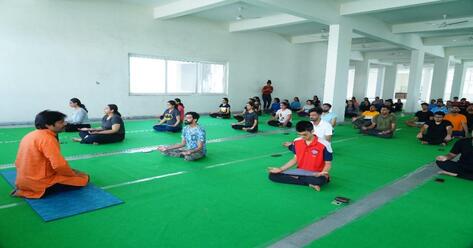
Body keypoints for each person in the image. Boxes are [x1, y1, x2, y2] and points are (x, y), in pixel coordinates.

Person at [13, 110, 89, 198]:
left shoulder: (30, 135)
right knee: (83, 178)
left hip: (22, 181)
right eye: (61, 122)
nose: (65, 123)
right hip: (38, 183)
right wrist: (72, 174)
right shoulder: (48, 139)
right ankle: (34, 190)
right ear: (48, 125)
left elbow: (18, 162)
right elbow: (59, 165)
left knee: (72, 171)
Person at [268, 121, 332, 192]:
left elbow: (328, 163)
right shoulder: (297, 141)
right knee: (272, 175)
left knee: (319, 180)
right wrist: (280, 169)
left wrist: (323, 172)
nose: (302, 137)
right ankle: (309, 184)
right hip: (300, 172)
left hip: (316, 173)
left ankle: (299, 179)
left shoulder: (324, 144)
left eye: (305, 135)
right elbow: (295, 159)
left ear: (312, 131)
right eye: (299, 134)